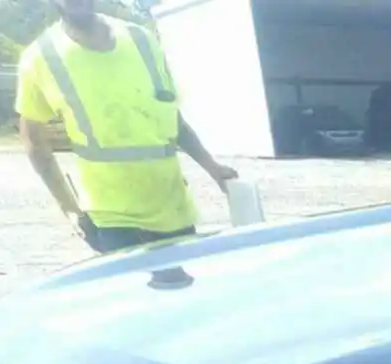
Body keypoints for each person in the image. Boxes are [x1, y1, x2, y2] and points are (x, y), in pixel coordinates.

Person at [15, 0, 238, 255]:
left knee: (182, 294)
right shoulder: (40, 57)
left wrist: (212, 167)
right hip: (112, 220)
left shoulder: (141, 40)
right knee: (131, 294)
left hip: (173, 209)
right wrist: (70, 209)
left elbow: (168, 115)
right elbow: (34, 143)